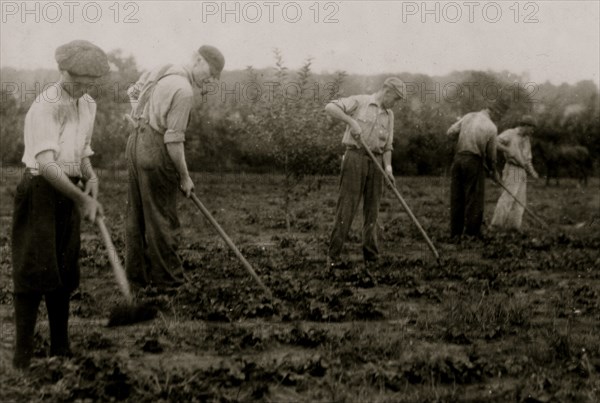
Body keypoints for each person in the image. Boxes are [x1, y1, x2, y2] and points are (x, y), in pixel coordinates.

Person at [11, 40, 108, 369]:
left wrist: (90, 177)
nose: (84, 87)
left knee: (65, 271)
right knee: (34, 269)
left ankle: (60, 347)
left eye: (91, 82)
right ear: (62, 71)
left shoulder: (88, 103)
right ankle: (22, 355)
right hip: (40, 190)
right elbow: (48, 164)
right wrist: (80, 198)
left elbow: (81, 152)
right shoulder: (46, 105)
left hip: (68, 190)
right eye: (79, 80)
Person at [125, 46, 225, 289]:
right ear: (198, 61)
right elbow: (173, 140)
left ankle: (137, 278)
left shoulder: (164, 68)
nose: (209, 80)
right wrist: (185, 176)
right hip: (155, 150)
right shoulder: (184, 91)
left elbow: (133, 91)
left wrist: (138, 115)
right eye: (210, 73)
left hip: (135, 143)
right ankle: (168, 280)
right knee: (162, 217)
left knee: (137, 215)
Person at [325, 77, 406, 269]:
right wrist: (351, 122)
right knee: (347, 208)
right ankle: (333, 257)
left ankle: (371, 257)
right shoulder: (360, 101)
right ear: (387, 91)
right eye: (395, 99)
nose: (395, 104)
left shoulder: (389, 115)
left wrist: (388, 169)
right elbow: (329, 107)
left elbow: (387, 146)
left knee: (373, 211)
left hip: (377, 162)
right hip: (355, 157)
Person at [446, 106, 502, 240]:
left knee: (457, 197)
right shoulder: (492, 127)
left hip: (458, 159)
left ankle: (455, 233)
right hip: (474, 162)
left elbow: (450, 133)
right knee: (474, 199)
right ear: (492, 112)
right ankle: (472, 234)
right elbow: (492, 156)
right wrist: (494, 172)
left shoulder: (468, 116)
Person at [491, 115, 539, 230]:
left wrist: (532, 172)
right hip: (512, 168)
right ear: (526, 126)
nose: (533, 131)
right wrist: (507, 150)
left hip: (522, 171)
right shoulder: (510, 133)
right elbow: (495, 142)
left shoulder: (527, 139)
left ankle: (513, 227)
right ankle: (496, 226)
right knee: (508, 197)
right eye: (532, 128)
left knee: (520, 200)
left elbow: (527, 159)